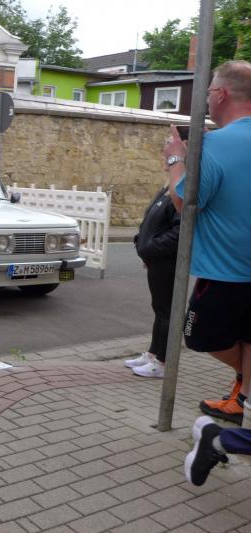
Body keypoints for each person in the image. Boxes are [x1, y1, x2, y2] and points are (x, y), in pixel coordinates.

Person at [163, 60, 251, 424]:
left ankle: (244, 384)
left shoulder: (213, 144)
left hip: (224, 272)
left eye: (210, 91)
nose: (208, 99)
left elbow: (185, 202)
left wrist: (174, 158)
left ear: (222, 94)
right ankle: (242, 399)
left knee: (198, 336)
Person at [124, 182, 180, 378]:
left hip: (167, 262)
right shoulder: (167, 189)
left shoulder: (180, 192)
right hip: (156, 260)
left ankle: (162, 363)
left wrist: (150, 247)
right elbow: (151, 222)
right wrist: (141, 241)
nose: (166, 166)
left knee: (166, 311)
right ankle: (152, 354)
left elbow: (179, 231)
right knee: (159, 308)